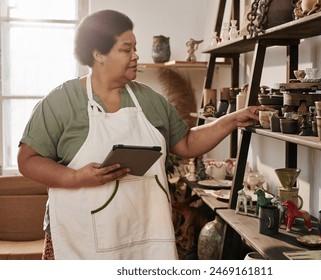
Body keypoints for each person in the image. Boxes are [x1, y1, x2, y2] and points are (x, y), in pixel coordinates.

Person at [17, 9, 270, 260]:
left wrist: (232, 120)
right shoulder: (62, 102)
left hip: (144, 240)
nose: (136, 56)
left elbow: (187, 143)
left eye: (135, 48)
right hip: (80, 239)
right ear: (98, 54)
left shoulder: (149, 101)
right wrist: (76, 177)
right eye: (126, 49)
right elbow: (27, 160)